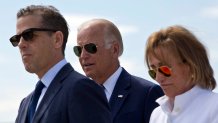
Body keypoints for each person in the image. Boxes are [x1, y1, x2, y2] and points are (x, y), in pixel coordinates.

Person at [10, 5, 112, 123]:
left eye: (29, 35)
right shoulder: (25, 103)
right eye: (16, 39)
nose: (21, 44)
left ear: (57, 39)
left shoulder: (81, 89)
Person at [73, 18, 164, 123]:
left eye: (91, 48)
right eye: (79, 50)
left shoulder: (147, 93)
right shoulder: (78, 98)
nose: (83, 56)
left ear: (114, 49)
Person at [145, 25, 218, 123]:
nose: (158, 78)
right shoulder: (157, 115)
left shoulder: (214, 107)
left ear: (190, 64)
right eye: (153, 71)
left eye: (164, 69)